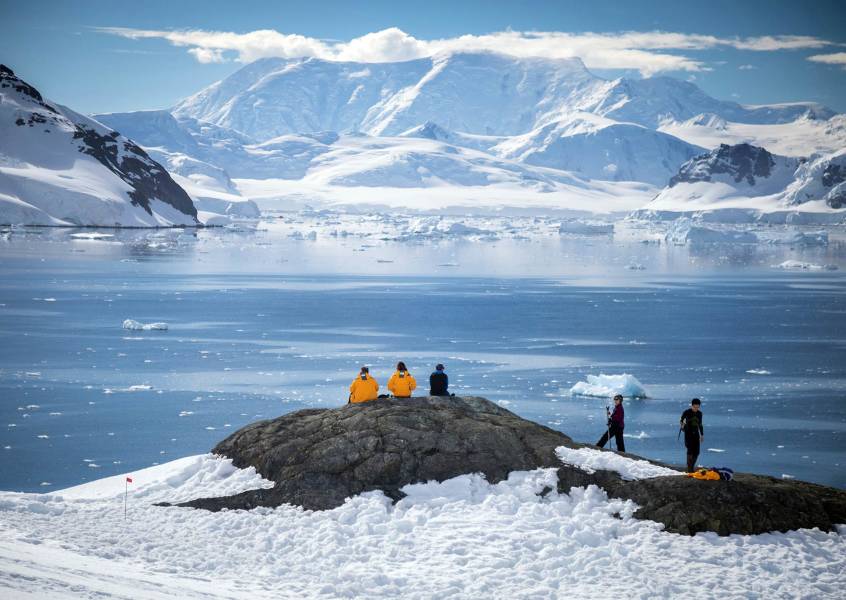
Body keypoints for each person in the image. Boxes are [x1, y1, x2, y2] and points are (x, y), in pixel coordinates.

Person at [680, 398, 704, 472]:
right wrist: (682, 425)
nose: (696, 408)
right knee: (690, 451)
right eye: (695, 407)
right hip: (688, 433)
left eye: (698, 407)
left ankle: (691, 467)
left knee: (697, 452)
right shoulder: (687, 412)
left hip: (696, 434)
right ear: (692, 405)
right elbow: (681, 420)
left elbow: (700, 424)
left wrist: (702, 435)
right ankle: (690, 469)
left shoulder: (699, 413)